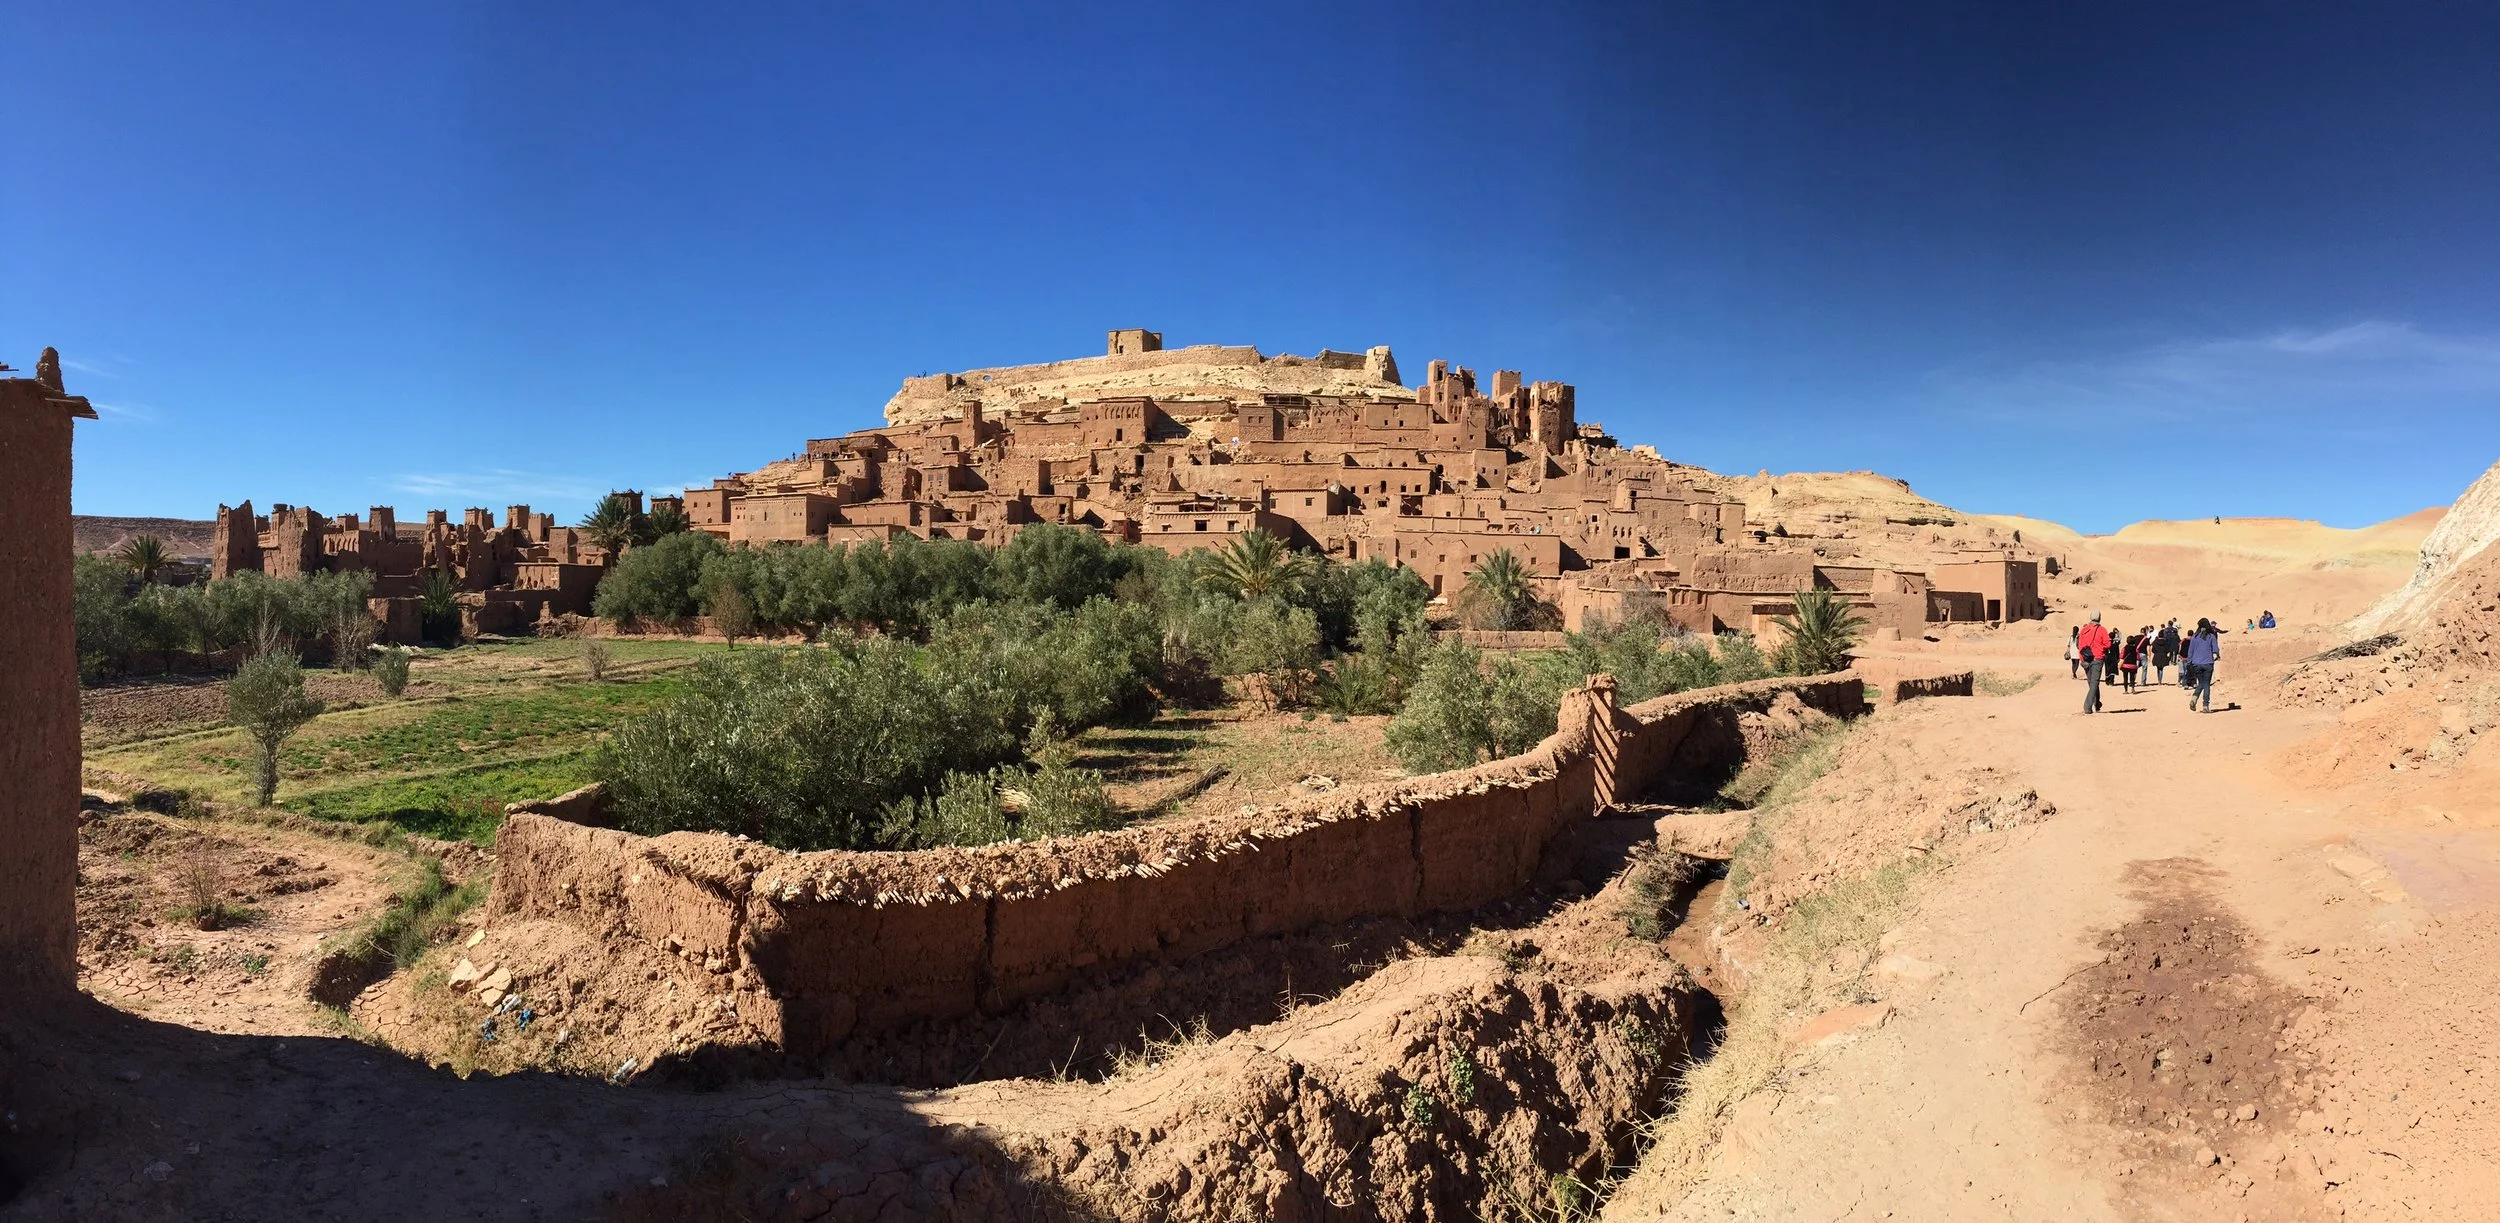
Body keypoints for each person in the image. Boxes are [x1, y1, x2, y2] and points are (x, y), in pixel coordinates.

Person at [2185, 617, 2223, 712]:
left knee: (2201, 683)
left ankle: (2194, 698)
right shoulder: (2211, 636)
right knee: (2206, 685)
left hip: (2196, 664)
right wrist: (2216, 656)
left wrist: (2189, 663)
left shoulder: (2194, 637)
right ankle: (2205, 705)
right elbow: (2216, 650)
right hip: (2208, 663)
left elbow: (2190, 652)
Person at [2077, 612, 2112, 714]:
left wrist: (2081, 659)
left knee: (2092, 683)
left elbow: (2080, 645)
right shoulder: (2102, 630)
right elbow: (2107, 644)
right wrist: (2100, 647)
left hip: (2086, 658)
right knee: (2094, 683)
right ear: (2100, 618)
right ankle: (2087, 707)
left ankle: (2096, 704)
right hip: (2097, 658)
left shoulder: (2084, 630)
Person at [2152, 619, 2179, 685]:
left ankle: (2159, 680)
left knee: (2158, 668)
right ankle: (2160, 680)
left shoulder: (2165, 630)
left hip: (2158, 654)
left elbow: (2153, 650)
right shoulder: (2174, 630)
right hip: (2166, 649)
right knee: (2162, 668)